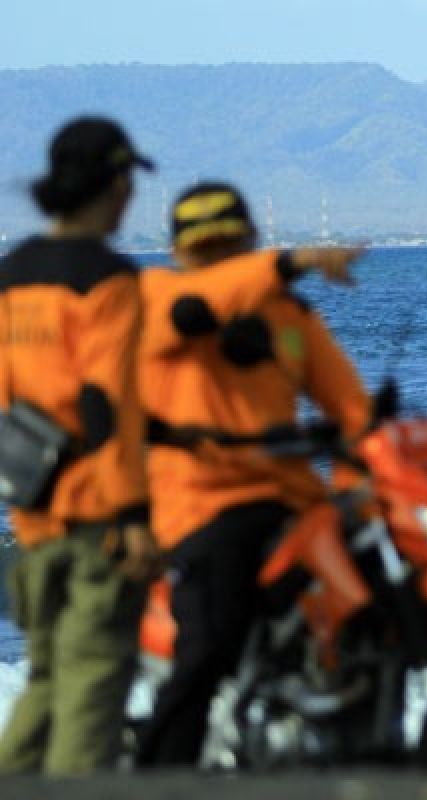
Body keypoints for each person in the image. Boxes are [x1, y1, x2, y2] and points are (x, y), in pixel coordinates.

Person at [135, 182, 371, 766]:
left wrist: (361, 480)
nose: (218, 259)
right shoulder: (158, 297)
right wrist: (296, 261)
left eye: (229, 245)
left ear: (249, 242)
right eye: (204, 248)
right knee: (209, 646)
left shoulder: (285, 312)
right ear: (178, 254)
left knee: (381, 575)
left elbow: (349, 407)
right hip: (200, 501)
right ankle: (157, 773)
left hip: (291, 497)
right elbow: (205, 299)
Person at [0, 117, 160, 775]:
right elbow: (105, 403)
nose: (130, 199)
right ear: (111, 185)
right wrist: (133, 519)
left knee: (45, 681)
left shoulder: (12, 275)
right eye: (127, 184)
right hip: (97, 515)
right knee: (91, 691)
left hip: (32, 511)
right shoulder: (109, 279)